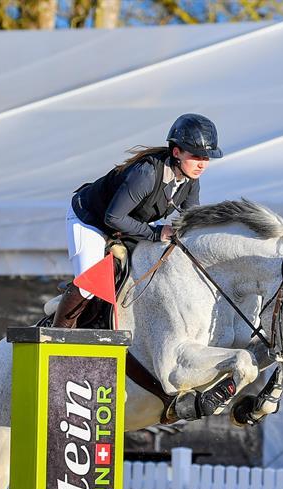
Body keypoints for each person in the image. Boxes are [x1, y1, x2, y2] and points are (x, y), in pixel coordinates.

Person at [53, 113, 223, 328]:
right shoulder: (146, 174)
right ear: (176, 152)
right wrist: (156, 233)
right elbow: (113, 217)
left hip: (126, 224)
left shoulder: (190, 180)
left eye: (206, 158)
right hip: (90, 220)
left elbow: (191, 221)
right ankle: (55, 333)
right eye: (196, 157)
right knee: (89, 285)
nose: (202, 165)